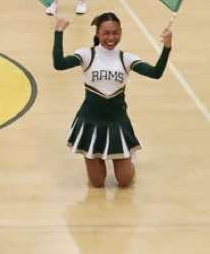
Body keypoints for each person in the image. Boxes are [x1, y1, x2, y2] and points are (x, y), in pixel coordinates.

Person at [52, 13, 170, 188]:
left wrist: (167, 47)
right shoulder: (87, 55)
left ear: (121, 32)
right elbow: (59, 64)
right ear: (98, 33)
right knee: (97, 183)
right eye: (106, 33)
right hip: (91, 122)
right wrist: (59, 32)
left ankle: (128, 159)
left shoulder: (126, 58)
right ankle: (93, 152)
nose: (111, 38)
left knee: (124, 181)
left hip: (117, 123)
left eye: (115, 33)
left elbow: (155, 73)